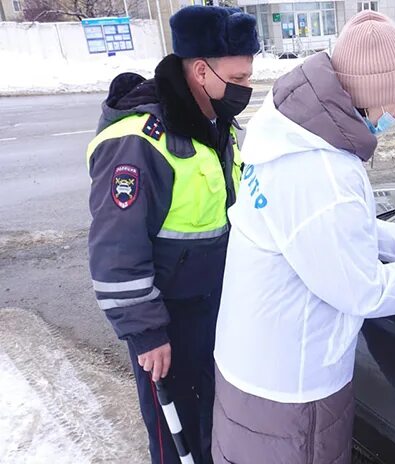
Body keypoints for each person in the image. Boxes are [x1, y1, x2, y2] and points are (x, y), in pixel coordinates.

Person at [211, 11, 395, 463]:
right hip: (292, 391)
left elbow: (320, 229)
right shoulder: (324, 173)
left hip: (247, 360)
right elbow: (362, 290)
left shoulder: (293, 138)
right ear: (368, 96)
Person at [85, 6, 258, 463]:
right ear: (201, 71)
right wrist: (146, 333)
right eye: (239, 77)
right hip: (168, 322)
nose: (247, 87)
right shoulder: (138, 141)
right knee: (174, 438)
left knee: (215, 423)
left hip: (216, 308)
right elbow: (115, 253)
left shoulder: (217, 127)